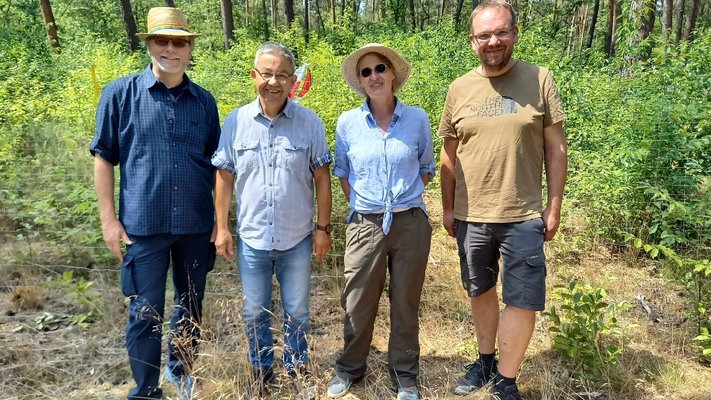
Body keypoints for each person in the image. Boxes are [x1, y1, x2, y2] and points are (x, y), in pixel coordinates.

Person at [438, 1, 568, 399]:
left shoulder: (539, 78)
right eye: (484, 35)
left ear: (514, 33)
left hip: (523, 213)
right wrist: (446, 207)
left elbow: (556, 148)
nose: (492, 41)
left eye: (500, 32)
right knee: (480, 290)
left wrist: (555, 204)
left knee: (523, 298)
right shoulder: (459, 88)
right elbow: (448, 152)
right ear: (472, 40)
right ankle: (484, 360)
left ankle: (506, 381)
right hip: (471, 214)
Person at [90, 7, 220, 400]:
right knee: (144, 315)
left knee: (191, 305)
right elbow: (103, 158)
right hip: (142, 228)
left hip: (196, 227)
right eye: (161, 40)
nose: (170, 49)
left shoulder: (204, 101)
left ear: (190, 48)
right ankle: (147, 389)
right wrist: (108, 220)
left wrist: (219, 219)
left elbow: (218, 166)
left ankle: (181, 373)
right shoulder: (119, 94)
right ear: (148, 43)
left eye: (179, 41)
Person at [211, 42, 333, 397]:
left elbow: (322, 177)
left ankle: (297, 371)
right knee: (254, 312)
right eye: (267, 74)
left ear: (293, 80)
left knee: (297, 311)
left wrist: (322, 229)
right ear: (254, 77)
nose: (274, 82)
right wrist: (221, 228)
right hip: (252, 240)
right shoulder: (236, 122)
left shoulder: (309, 122)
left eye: (282, 75)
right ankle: (261, 371)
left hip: (296, 239)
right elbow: (224, 176)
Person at [326, 43, 435, 400]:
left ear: (392, 74)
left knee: (405, 300)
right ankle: (349, 369)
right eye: (366, 72)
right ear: (360, 80)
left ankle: (405, 373)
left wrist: (403, 198)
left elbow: (426, 168)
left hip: (410, 223)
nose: (374, 76)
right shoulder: (348, 123)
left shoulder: (417, 119)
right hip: (365, 224)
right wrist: (367, 203)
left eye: (380, 69)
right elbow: (343, 173)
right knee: (357, 300)